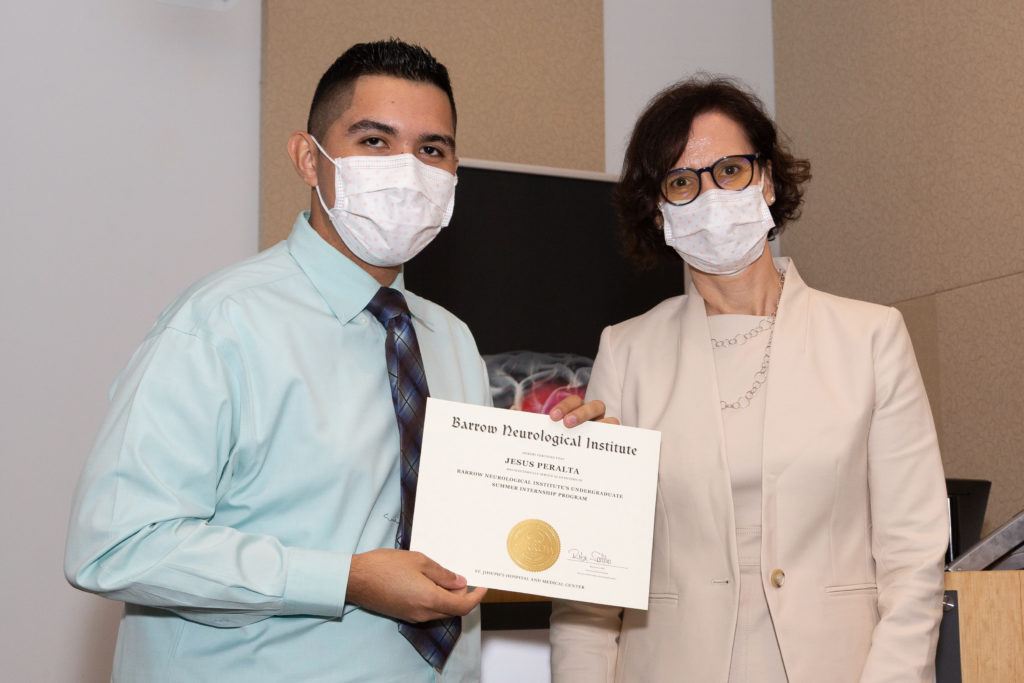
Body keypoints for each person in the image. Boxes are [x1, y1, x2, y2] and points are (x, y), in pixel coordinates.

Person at [64, 39, 607, 682]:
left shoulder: (449, 337)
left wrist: (564, 472)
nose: (408, 169)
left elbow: (465, 536)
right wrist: (344, 579)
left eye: (432, 149)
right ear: (308, 158)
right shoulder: (220, 323)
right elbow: (117, 545)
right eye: (374, 141)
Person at [548, 77, 948, 683]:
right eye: (682, 182)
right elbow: (590, 588)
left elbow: (913, 556)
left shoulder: (870, 337)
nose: (709, 194)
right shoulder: (626, 351)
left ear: (767, 179)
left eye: (729, 170)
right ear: (659, 211)